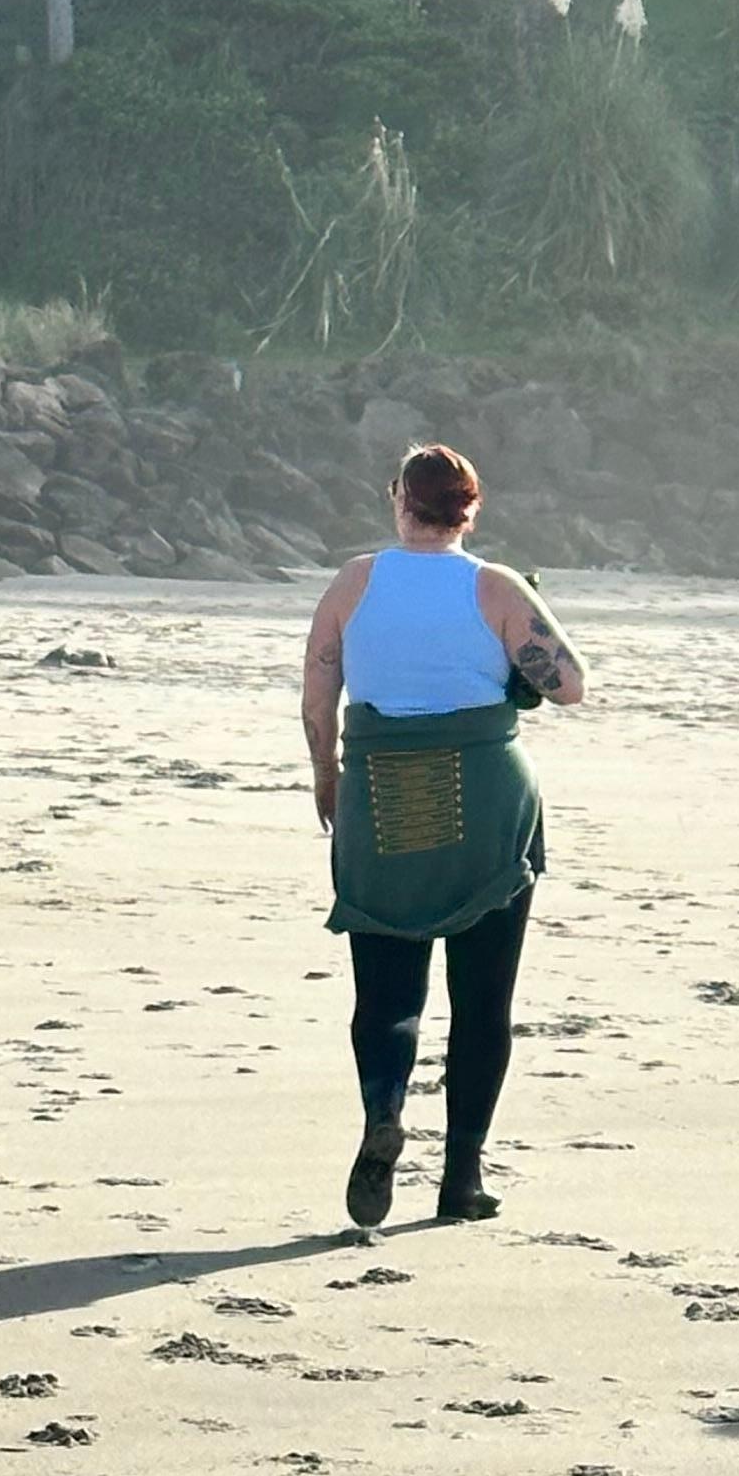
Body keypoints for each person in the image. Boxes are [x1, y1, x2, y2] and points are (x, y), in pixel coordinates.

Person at [300, 441, 584, 1233]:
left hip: (384, 799)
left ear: (399, 500)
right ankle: (462, 1179)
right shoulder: (496, 588)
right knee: (483, 1002)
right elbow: (571, 686)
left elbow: (319, 689)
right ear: (472, 508)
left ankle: (384, 1109)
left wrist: (327, 775)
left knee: (386, 991)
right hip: (487, 806)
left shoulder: (354, 583)